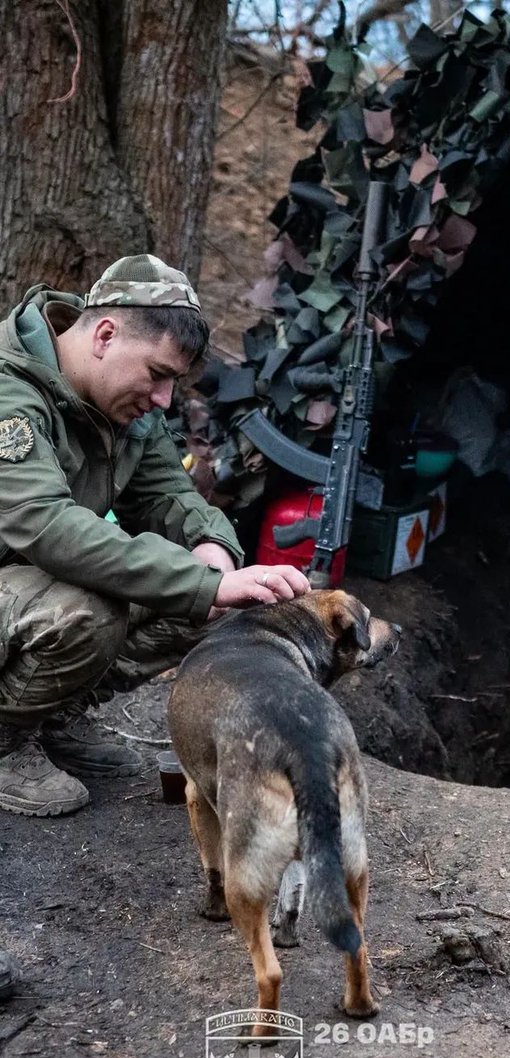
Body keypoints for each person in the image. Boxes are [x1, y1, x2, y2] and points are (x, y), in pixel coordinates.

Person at [0, 254, 310, 818]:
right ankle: (5, 737)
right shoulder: (9, 394)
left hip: (19, 593)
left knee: (196, 593)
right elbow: (48, 526)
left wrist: (215, 553)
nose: (165, 399)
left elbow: (170, 495)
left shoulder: (121, 410)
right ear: (106, 335)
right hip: (23, 587)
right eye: (158, 374)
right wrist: (204, 583)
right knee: (86, 609)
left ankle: (50, 717)